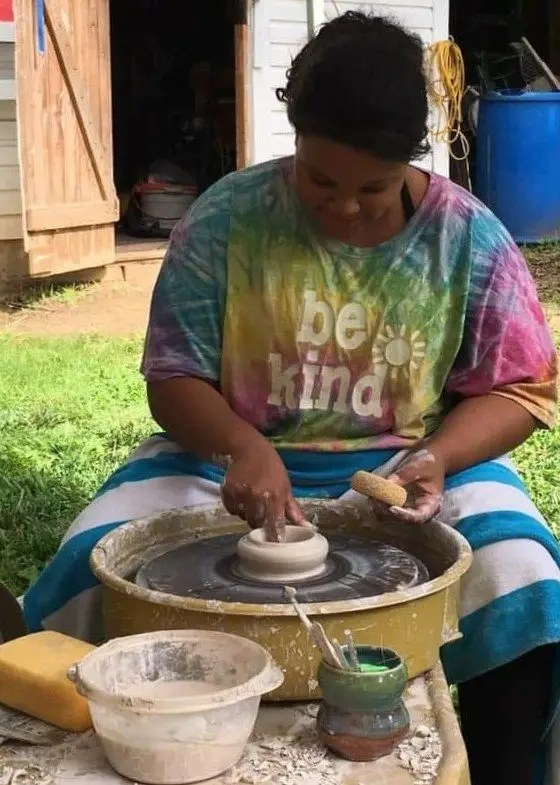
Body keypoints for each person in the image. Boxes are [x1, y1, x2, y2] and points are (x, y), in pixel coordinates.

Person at [24, 12, 559, 785]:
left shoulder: (466, 237)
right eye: (320, 181)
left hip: (408, 462)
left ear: (411, 158)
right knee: (92, 563)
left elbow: (521, 387)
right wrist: (241, 445)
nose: (343, 208)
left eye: (371, 189)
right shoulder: (225, 220)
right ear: (296, 138)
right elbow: (173, 375)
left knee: (524, 578)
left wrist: (437, 455)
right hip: (223, 456)